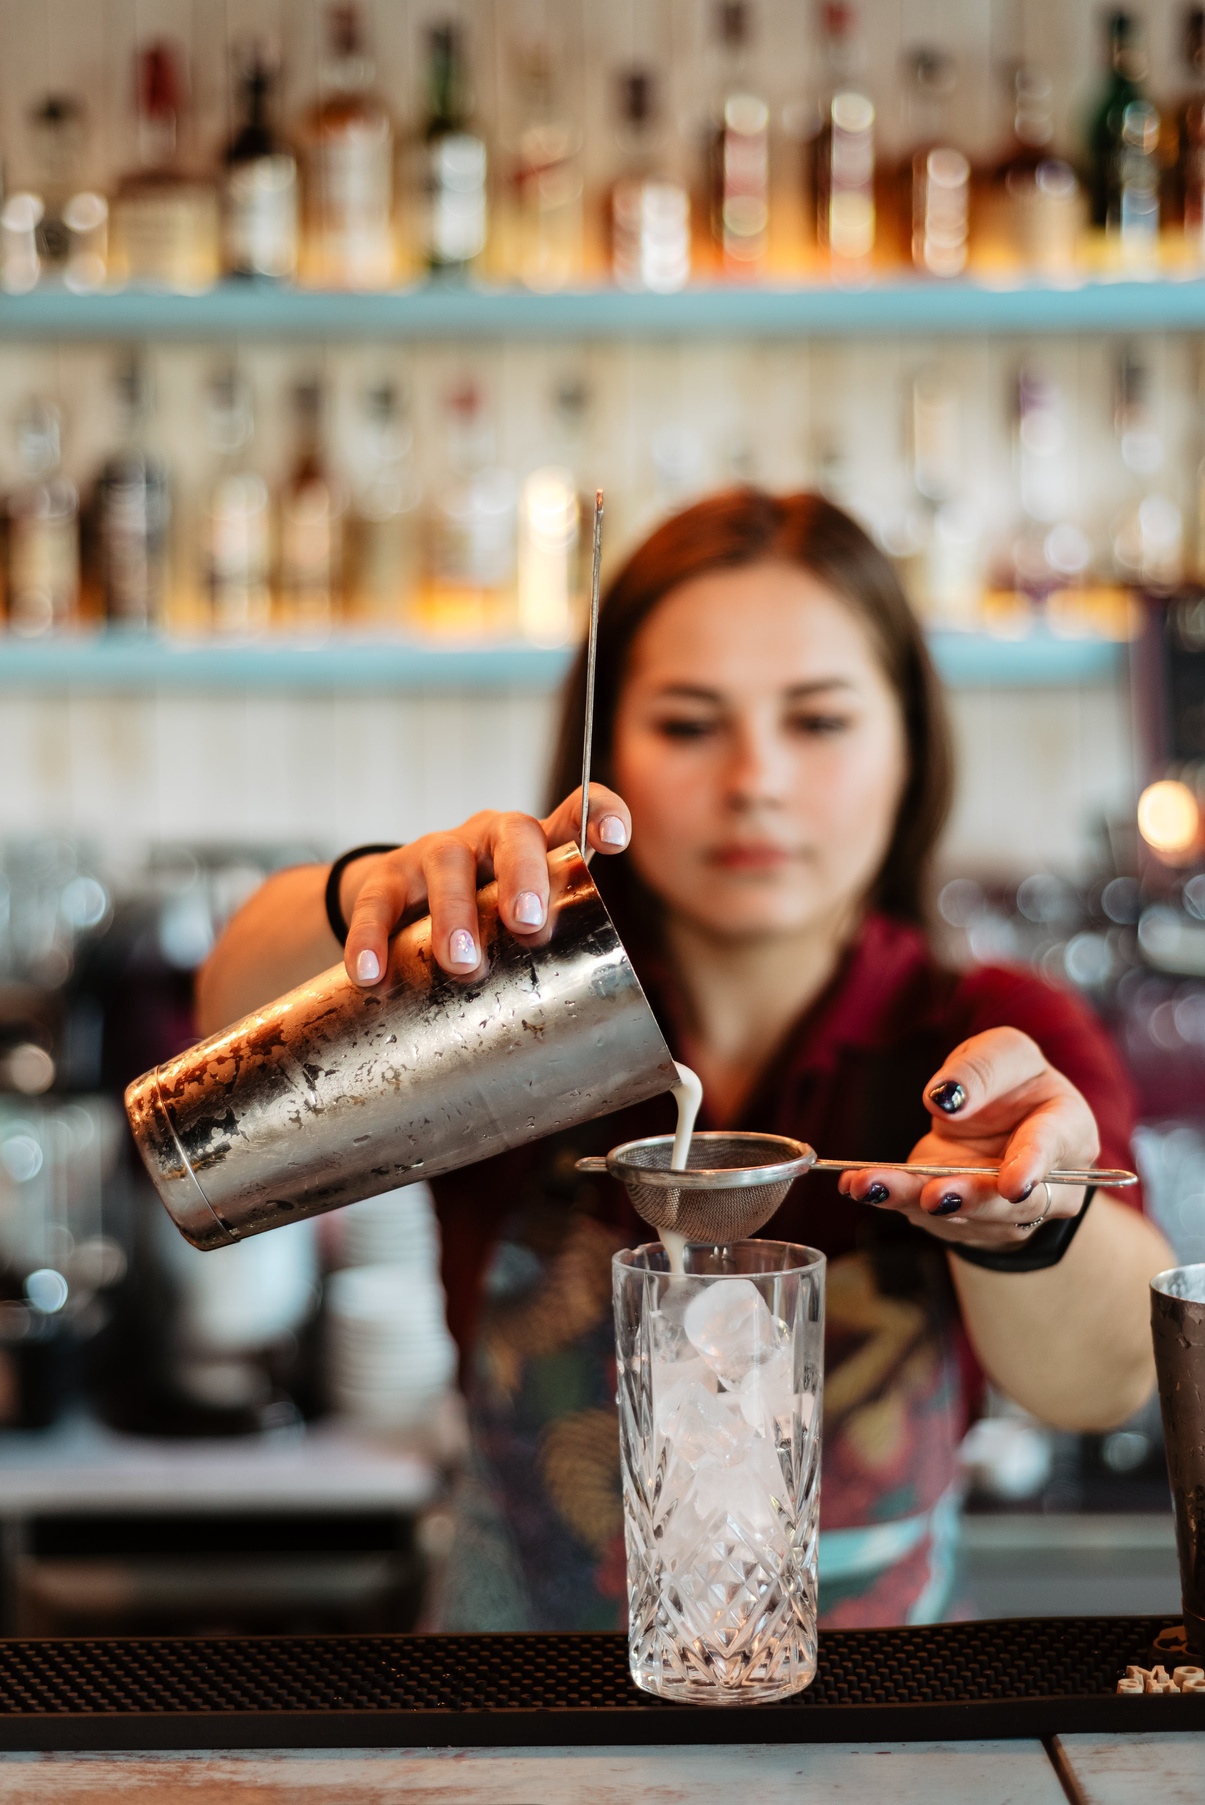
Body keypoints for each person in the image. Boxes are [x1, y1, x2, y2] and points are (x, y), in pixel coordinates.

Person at [198, 488, 1172, 1629]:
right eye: (687, 723)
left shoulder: (985, 1038)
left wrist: (1025, 1214)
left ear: (907, 741)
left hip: (866, 1741)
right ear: (602, 754)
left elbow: (1102, 1378)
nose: (753, 778)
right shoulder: (509, 1006)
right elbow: (227, 1017)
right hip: (512, 1727)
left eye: (816, 720)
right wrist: (367, 906)